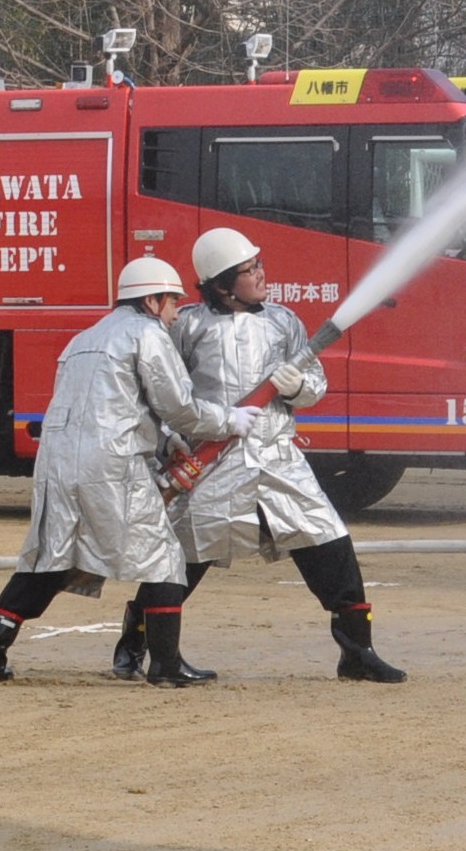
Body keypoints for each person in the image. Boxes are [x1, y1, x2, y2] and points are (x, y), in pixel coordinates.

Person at [0, 255, 258, 684]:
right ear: (153, 300)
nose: (178, 312)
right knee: (165, 559)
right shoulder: (148, 334)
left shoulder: (83, 338)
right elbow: (179, 406)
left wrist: (165, 442)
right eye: (173, 302)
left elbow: (109, 402)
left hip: (59, 464)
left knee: (50, 558)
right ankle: (164, 664)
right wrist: (227, 421)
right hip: (113, 465)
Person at [140, 226, 404, 686]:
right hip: (212, 463)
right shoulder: (187, 327)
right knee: (181, 558)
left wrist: (297, 387)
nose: (262, 274)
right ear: (222, 284)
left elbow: (315, 387)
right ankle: (138, 645)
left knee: (330, 542)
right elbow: (165, 396)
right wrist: (172, 442)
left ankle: (357, 653)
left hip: (279, 459)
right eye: (249, 269)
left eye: (260, 264)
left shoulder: (284, 322)